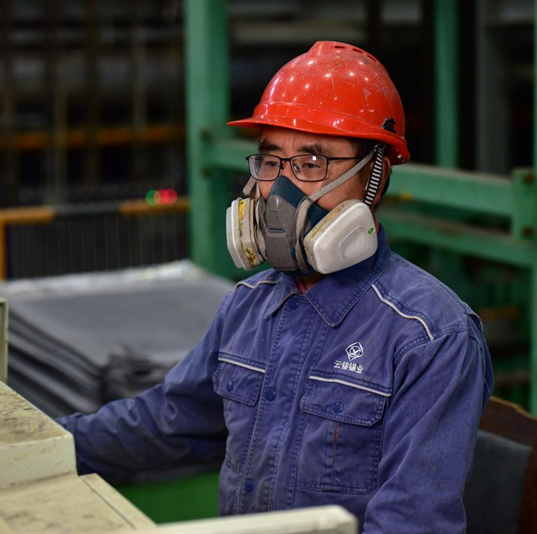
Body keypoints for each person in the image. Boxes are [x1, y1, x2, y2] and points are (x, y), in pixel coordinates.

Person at [57, 41, 493, 533]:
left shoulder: (430, 337)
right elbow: (167, 421)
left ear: (375, 178)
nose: (280, 190)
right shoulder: (249, 305)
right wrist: (41, 443)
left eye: (312, 162)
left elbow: (412, 521)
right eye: (271, 162)